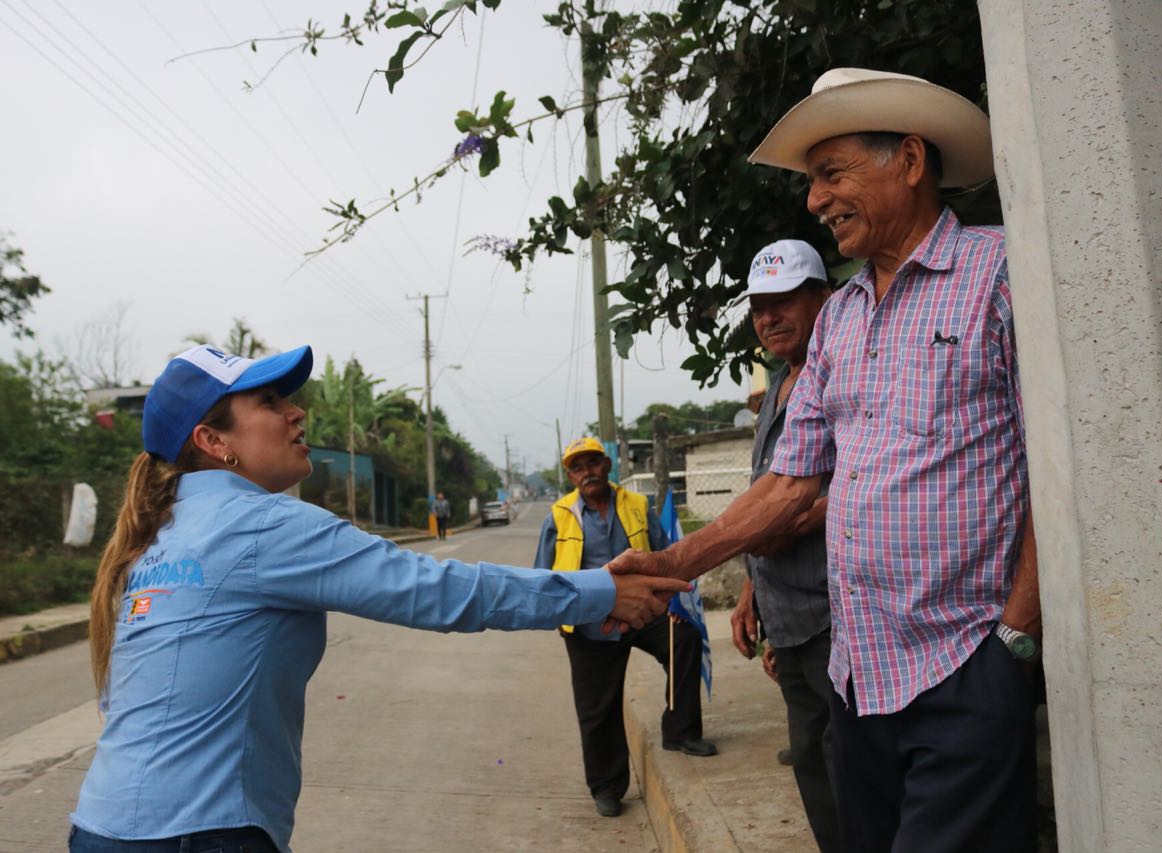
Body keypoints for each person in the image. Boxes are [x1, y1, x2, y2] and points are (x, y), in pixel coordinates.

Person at [612, 68, 1040, 853]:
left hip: (966, 665)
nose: (815, 200)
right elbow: (789, 479)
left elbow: (1059, 469)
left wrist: (1016, 635)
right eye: (813, 182)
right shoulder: (839, 318)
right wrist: (676, 559)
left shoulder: (1001, 274)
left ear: (909, 160)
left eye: (831, 174)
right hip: (859, 675)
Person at [68, 344, 689, 853]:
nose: (296, 413)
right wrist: (601, 589)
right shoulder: (258, 525)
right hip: (201, 835)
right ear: (212, 439)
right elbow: (439, 591)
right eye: (269, 401)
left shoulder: (156, 539)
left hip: (100, 826)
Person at [533, 437, 715, 819]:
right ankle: (606, 786)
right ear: (570, 475)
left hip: (640, 611)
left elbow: (666, 553)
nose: (587, 472)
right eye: (578, 467)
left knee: (682, 639)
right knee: (597, 708)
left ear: (607, 465)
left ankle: (680, 731)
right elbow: (542, 572)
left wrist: (676, 603)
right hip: (588, 623)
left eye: (593, 463)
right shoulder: (559, 514)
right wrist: (556, 616)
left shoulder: (635, 504)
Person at [729, 239, 838, 852]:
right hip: (789, 623)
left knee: (848, 765)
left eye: (784, 301)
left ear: (822, 298)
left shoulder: (846, 373)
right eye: (759, 307)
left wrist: (803, 515)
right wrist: (751, 596)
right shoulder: (776, 388)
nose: (768, 317)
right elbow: (761, 497)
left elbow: (871, 485)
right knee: (811, 764)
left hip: (836, 618)